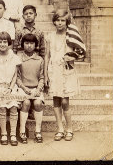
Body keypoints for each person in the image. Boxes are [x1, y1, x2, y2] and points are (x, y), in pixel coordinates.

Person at [45, 9, 82, 142]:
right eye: (57, 20)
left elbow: (80, 52)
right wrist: (45, 74)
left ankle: (69, 128)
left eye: (62, 21)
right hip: (53, 69)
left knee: (65, 101)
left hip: (66, 70)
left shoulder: (71, 35)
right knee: (56, 100)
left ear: (67, 22)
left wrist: (72, 57)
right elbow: (47, 55)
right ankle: (60, 129)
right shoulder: (50, 36)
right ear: (54, 21)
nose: (60, 23)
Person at [0, 31, 22, 146]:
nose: (2, 44)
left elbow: (15, 75)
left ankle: (12, 134)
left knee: (13, 108)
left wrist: (11, 88)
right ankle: (3, 134)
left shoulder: (14, 57)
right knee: (2, 108)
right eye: (0, 41)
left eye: (5, 41)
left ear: (9, 43)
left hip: (10, 87)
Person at [17, 33, 45, 144]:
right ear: (23, 44)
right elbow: (17, 77)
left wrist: (39, 89)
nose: (29, 46)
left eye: (32, 43)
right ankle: (22, 130)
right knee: (26, 103)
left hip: (35, 88)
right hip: (23, 88)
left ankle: (38, 131)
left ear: (35, 45)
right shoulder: (19, 59)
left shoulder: (39, 59)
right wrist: (23, 88)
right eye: (27, 43)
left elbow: (42, 77)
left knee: (38, 103)